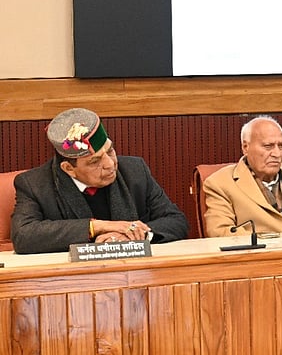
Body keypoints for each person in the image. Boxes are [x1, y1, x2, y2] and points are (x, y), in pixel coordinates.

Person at [11, 107, 189, 254]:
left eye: (110, 151)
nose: (110, 164)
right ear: (69, 169)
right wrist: (97, 227)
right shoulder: (34, 184)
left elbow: (176, 220)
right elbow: (23, 236)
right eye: (95, 161)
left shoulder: (135, 170)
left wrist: (131, 236)